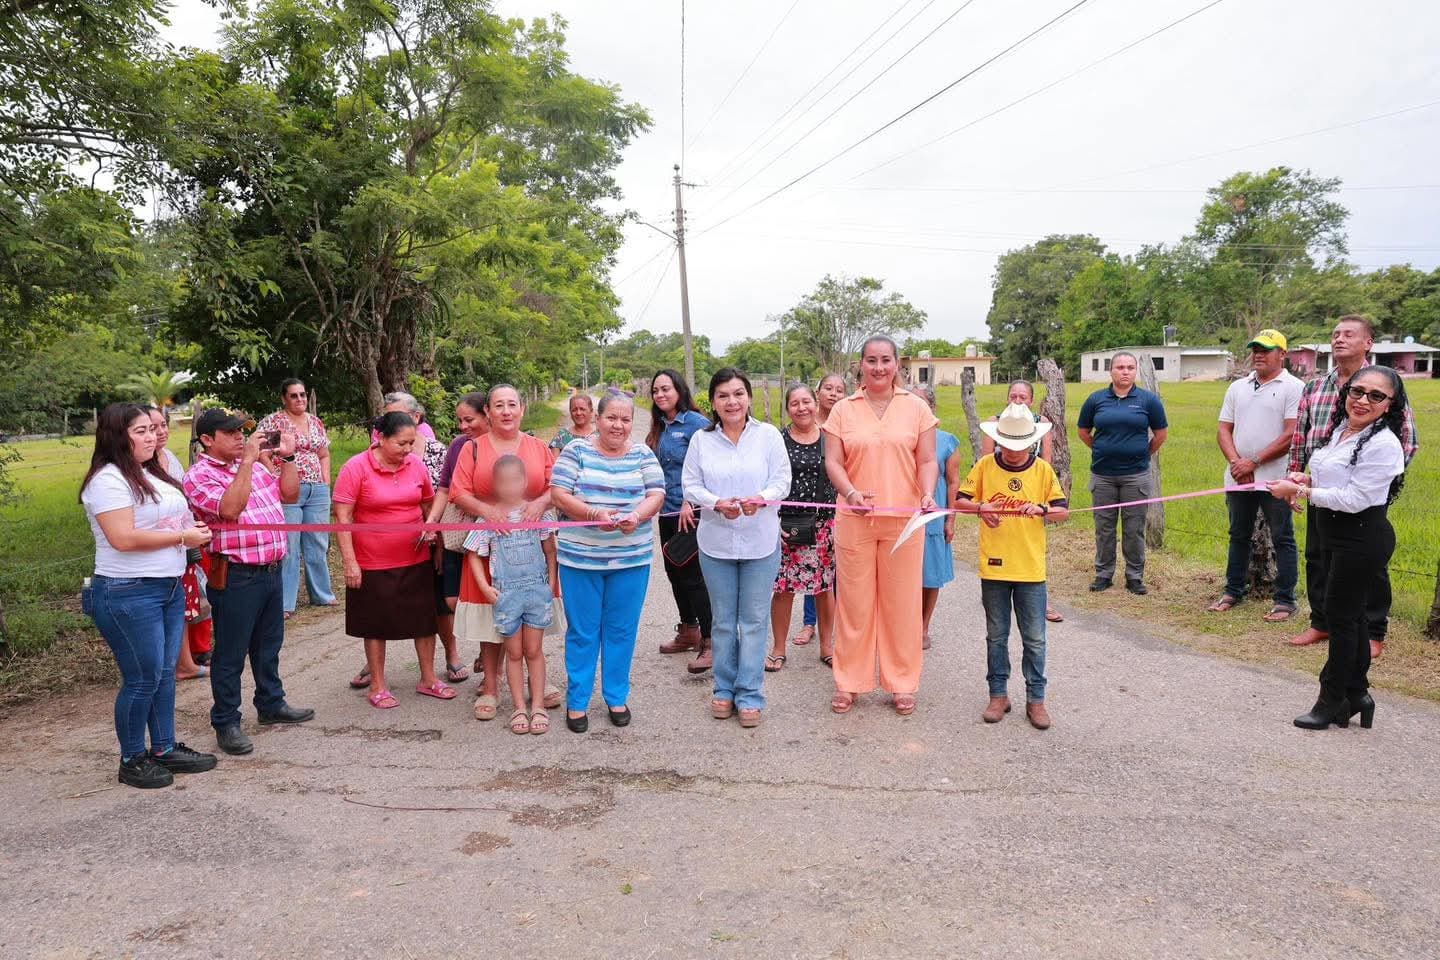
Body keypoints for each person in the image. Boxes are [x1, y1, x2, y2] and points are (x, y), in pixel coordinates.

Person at [82, 403, 219, 789]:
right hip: (128, 591)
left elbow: (160, 517)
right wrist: (182, 537)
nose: (152, 436)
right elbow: (123, 538)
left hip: (168, 586)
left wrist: (186, 525)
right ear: (117, 435)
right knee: (141, 678)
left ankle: (162, 747)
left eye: (153, 429)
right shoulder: (108, 480)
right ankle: (131, 758)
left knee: (163, 675)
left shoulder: (149, 472)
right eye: (140, 431)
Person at [1268, 366, 1408, 730]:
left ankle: (1331, 700)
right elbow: (1338, 477)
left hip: (1361, 538)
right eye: (1357, 391)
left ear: (1390, 404)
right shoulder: (1343, 432)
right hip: (1335, 535)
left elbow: (1356, 497)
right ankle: (1357, 694)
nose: (1363, 400)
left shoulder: (1383, 443)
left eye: (1376, 396)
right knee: (1351, 618)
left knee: (1342, 621)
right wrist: (1306, 479)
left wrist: (1298, 492)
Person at [183, 409, 314, 756]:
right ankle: (226, 721)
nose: (240, 437)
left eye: (242, 431)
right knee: (230, 654)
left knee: (268, 646)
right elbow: (229, 509)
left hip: (271, 570)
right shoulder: (199, 476)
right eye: (230, 432)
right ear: (207, 440)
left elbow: (289, 495)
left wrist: (286, 457)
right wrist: (247, 463)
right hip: (237, 575)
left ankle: (271, 704)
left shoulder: (256, 467)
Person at [1287, 315, 1418, 660]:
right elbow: (1301, 437)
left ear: (1368, 343)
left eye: (1349, 334)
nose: (1339, 339)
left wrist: (1375, 485)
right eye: (1335, 334)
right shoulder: (1315, 387)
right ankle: (1322, 621)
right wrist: (1295, 479)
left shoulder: (1385, 385)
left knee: (1365, 563)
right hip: (1317, 489)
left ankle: (1373, 630)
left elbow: (1408, 443)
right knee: (1317, 556)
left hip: (1360, 496)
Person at [824, 335, 938, 716]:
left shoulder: (916, 408)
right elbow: (834, 463)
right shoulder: (842, 409)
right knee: (854, 605)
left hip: (904, 522)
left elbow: (926, 461)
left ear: (897, 364)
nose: (878, 367)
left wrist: (926, 494)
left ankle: (902, 683)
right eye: (871, 360)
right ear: (860, 364)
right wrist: (851, 493)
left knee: (901, 604)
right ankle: (849, 682)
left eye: (885, 360)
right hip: (854, 519)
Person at [550, 393, 666, 733]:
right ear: (598, 419)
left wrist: (636, 515)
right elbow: (558, 493)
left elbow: (656, 494)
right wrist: (591, 514)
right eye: (612, 418)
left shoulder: (643, 454)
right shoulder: (576, 451)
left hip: (631, 560)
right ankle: (578, 700)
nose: (618, 425)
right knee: (583, 632)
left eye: (625, 419)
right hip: (579, 560)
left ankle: (616, 696)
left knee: (621, 631)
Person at [682, 369, 790, 728]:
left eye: (738, 394)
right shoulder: (701, 439)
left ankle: (750, 693)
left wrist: (762, 498)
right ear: (712, 402)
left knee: (755, 621)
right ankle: (724, 688)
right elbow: (690, 485)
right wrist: (715, 502)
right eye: (724, 395)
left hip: (761, 542)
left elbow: (782, 480)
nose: (732, 402)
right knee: (725, 622)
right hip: (716, 544)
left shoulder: (768, 436)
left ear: (749, 398)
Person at [448, 385, 561, 720]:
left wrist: (540, 503)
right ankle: (492, 685)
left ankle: (536, 681)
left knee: (533, 618)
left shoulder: (539, 447)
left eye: (513, 404)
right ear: (489, 412)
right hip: (489, 546)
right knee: (491, 616)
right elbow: (458, 491)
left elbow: (557, 486)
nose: (507, 411)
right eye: (499, 405)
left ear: (522, 409)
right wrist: (487, 510)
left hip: (533, 546)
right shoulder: (473, 449)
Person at [954, 403, 1069, 730]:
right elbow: (958, 501)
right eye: (1009, 444)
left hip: (1031, 569)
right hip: (995, 568)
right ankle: (998, 694)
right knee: (996, 635)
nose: (1015, 451)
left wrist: (1043, 509)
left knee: (1034, 637)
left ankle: (1036, 699)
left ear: (1032, 442)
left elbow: (1063, 512)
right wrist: (979, 508)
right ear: (999, 440)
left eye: (1021, 445)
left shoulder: (1043, 471)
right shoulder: (985, 466)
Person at [342, 391, 460, 692]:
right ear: (381, 438)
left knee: (424, 621)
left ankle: (429, 678)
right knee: (375, 623)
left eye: (412, 443)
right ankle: (378, 686)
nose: (409, 450)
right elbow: (342, 519)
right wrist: (350, 561)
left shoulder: (416, 465)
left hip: (416, 557)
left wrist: (435, 541)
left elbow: (428, 506)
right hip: (373, 560)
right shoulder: (356, 467)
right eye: (402, 444)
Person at [1207, 330, 1304, 621]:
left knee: (1282, 537)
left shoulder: (1294, 387)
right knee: (1238, 535)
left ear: (1282, 354)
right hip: (1239, 478)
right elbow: (1224, 429)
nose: (1258, 354)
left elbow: (1290, 434)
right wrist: (1238, 463)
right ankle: (1233, 591)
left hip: (1276, 479)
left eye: (1266, 349)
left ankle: (1285, 600)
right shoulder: (1237, 387)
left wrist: (1254, 462)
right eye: (1255, 349)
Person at [463, 456, 558, 735]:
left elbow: (550, 551)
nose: (510, 486)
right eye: (503, 481)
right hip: (506, 596)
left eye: (516, 480)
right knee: (514, 653)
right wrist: (484, 587)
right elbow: (472, 554)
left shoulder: (537, 513)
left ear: (525, 481)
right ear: (495, 485)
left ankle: (537, 704)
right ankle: (518, 706)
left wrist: (551, 584)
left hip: (537, 592)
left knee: (534, 650)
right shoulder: (489, 518)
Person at [1077, 351, 1168, 595]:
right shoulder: (1096, 400)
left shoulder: (1148, 401)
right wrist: (1101, 448)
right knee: (1104, 528)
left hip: (1135, 476)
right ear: (1111, 371)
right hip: (1103, 476)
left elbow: (1160, 435)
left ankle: (1134, 576)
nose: (1125, 371)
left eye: (1129, 367)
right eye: (1120, 367)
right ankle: (1104, 574)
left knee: (1133, 528)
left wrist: (1142, 453)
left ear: (1135, 371)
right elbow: (1084, 431)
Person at [421, 391, 490, 685]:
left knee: (488, 600)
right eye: (460, 420)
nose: (462, 426)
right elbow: (446, 489)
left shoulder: (500, 446)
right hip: (458, 534)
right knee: (452, 599)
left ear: (487, 415)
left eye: (469, 419)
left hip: (490, 535)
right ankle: (479, 649)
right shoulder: (458, 446)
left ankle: (490, 659)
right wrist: (432, 521)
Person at [647, 368, 714, 670]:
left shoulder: (697, 424)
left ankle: (711, 641)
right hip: (667, 511)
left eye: (666, 389)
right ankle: (688, 630)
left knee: (693, 577)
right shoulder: (660, 425)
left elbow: (708, 468)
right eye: (656, 390)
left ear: (680, 390)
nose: (660, 394)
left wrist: (691, 499)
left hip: (691, 513)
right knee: (673, 573)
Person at [769, 383, 837, 671]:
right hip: (787, 525)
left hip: (824, 525)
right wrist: (772, 521)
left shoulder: (830, 438)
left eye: (806, 401)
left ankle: (827, 646)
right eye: (794, 403)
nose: (802, 408)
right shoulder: (777, 440)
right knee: (784, 588)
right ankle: (778, 647)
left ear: (815, 403)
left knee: (824, 588)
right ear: (788, 409)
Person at [981, 380, 1062, 622]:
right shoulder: (994, 423)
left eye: (1023, 397)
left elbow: (1046, 459)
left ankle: (1041, 602)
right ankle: (996, 592)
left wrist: (1044, 501)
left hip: (1032, 490)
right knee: (1000, 543)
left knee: (1032, 548)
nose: (1018, 401)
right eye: (1013, 396)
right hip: (1000, 492)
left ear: (1032, 400)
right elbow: (986, 460)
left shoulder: (1042, 423)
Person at [256, 379, 337, 618]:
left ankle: (322, 594)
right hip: (289, 487)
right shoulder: (274, 422)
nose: (299, 399)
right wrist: (273, 475)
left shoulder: (315, 422)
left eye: (302, 395)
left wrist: (325, 479)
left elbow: (323, 453)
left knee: (318, 541)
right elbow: (262, 452)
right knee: (290, 544)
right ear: (284, 398)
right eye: (294, 396)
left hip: (317, 488)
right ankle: (285, 602)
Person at [148, 405, 210, 680]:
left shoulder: (169, 457)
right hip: (159, 546)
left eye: (163, 425)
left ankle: (184, 662)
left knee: (184, 602)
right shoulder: (133, 467)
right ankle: (175, 664)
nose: (160, 432)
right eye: (151, 427)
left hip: (181, 544)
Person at [793, 373, 848, 648]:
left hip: (841, 508)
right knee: (810, 569)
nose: (834, 394)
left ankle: (835, 628)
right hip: (809, 515)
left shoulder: (846, 427)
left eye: (840, 390)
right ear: (817, 393)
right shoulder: (804, 426)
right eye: (828, 388)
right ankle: (809, 623)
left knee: (833, 572)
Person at [918, 385, 960, 651]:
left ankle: (923, 626)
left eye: (921, 403)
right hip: (902, 514)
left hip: (933, 516)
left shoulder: (946, 440)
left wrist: (950, 519)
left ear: (932, 408)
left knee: (930, 574)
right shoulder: (901, 437)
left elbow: (954, 482)